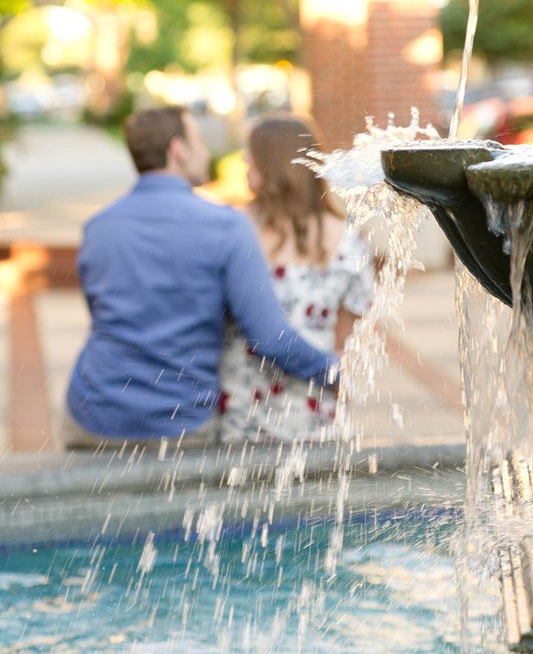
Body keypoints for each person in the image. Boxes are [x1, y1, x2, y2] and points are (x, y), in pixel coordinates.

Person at [63, 105, 339, 449]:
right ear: (178, 150)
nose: (207, 152)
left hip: (93, 414)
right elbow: (270, 339)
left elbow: (101, 313)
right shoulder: (226, 226)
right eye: (198, 142)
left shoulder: (98, 228)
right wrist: (336, 373)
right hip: (178, 422)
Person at [219, 112, 374, 443]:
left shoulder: (235, 230)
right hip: (300, 409)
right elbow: (343, 347)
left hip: (250, 408)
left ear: (274, 163)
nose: (245, 160)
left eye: (251, 153)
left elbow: (345, 344)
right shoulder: (349, 241)